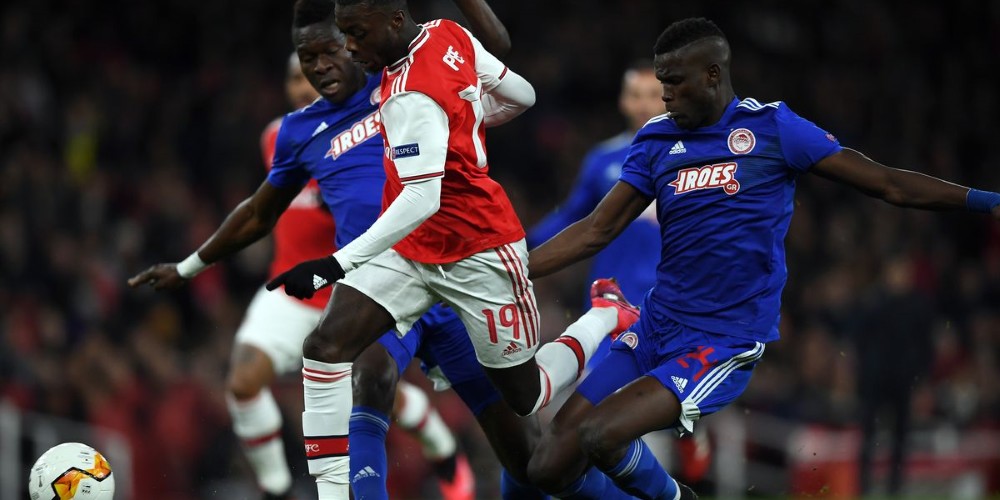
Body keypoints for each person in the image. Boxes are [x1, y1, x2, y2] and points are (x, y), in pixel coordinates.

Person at [524, 17, 1000, 500]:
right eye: (660, 83)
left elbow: (888, 183)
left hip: (722, 340)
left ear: (712, 75)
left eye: (673, 82)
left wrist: (986, 200)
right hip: (655, 324)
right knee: (546, 468)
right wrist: (518, 270)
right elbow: (596, 229)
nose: (663, 96)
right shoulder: (656, 141)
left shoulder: (773, 129)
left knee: (601, 437)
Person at [127, 1, 585, 499]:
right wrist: (191, 265)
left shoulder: (395, 76)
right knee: (358, 371)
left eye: (333, 48)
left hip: (459, 267)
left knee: (528, 454)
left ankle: (481, 459)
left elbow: (484, 59)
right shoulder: (299, 132)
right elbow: (259, 212)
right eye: (308, 57)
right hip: (392, 270)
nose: (322, 64)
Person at [264, 0, 640, 497]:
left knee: (527, 399)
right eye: (345, 34)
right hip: (412, 251)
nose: (351, 48)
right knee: (326, 347)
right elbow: (521, 95)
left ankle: (604, 317)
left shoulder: (406, 95)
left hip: (478, 250)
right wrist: (464, 117)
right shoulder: (445, 33)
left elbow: (421, 198)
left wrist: (335, 264)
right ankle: (335, 493)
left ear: (395, 21)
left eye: (357, 33)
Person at [526, 60, 711, 487]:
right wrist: (522, 246)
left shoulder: (696, 156)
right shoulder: (603, 160)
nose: (645, 104)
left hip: (672, 300)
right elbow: (574, 218)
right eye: (637, 95)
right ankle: (672, 454)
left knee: (643, 401)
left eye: (654, 95)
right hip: (613, 302)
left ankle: (682, 435)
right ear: (623, 101)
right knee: (616, 408)